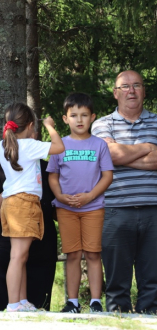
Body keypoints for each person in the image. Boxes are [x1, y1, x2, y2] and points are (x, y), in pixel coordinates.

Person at [92, 70, 157, 313]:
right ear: (115, 93)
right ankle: (116, 329)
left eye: (136, 85)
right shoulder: (103, 124)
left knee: (153, 282)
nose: (131, 90)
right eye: (125, 86)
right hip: (116, 211)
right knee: (117, 283)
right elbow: (109, 154)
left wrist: (121, 155)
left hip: (154, 210)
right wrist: (148, 148)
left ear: (143, 90)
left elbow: (116, 155)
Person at [47, 93, 113, 313]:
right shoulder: (59, 145)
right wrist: (60, 196)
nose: (79, 120)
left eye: (84, 115)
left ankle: (96, 302)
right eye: (74, 115)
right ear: (65, 119)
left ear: (92, 117)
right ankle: (72, 302)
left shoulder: (99, 145)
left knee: (93, 253)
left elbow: (107, 176)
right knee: (73, 254)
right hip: (66, 209)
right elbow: (53, 176)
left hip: (93, 208)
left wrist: (90, 196)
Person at [0, 102, 64, 312]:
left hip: (11, 203)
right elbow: (59, 147)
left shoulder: (4, 145)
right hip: (24, 203)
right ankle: (13, 304)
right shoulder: (28, 145)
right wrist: (51, 127)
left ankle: (22, 300)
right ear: (30, 125)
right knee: (18, 255)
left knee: (21, 255)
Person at [0, 150, 58, 311]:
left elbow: (60, 211)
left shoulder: (48, 169)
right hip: (4, 247)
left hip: (41, 249)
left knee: (37, 308)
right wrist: (13, 186)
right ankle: (7, 312)